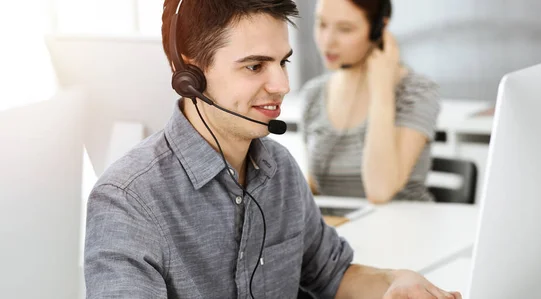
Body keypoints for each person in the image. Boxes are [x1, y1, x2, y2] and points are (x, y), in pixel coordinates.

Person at [84, 0, 461, 298]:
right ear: (191, 73)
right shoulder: (128, 201)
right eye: (254, 67)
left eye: (283, 62)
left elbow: (331, 274)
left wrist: (395, 281)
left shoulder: (278, 168)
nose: (281, 85)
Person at [300, 0, 440, 204]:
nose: (327, 41)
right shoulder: (313, 94)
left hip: (405, 230)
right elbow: (316, 190)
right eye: (321, 24)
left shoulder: (416, 91)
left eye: (345, 29)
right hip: (341, 231)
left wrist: (381, 89)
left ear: (378, 29)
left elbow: (380, 191)